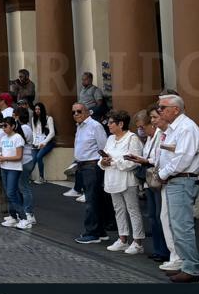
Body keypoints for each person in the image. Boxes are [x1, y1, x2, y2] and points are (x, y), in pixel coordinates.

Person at [154, 93, 199, 282]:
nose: (160, 111)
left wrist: (162, 174)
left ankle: (192, 267)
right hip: (177, 180)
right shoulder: (176, 128)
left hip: (182, 180)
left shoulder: (186, 128)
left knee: (182, 226)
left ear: (175, 109)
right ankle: (186, 264)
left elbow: (183, 159)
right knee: (176, 225)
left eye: (162, 108)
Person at [98, 110, 145, 254]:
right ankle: (123, 238)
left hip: (128, 180)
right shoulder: (111, 139)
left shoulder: (132, 138)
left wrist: (113, 162)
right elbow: (102, 158)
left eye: (111, 122)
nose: (109, 125)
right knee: (118, 210)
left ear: (121, 124)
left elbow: (134, 161)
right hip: (112, 179)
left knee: (133, 210)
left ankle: (137, 242)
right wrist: (104, 162)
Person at [71, 102, 111, 245]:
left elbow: (103, 146)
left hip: (92, 166)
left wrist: (102, 164)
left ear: (87, 112)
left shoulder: (94, 126)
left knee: (91, 201)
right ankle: (99, 231)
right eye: (74, 112)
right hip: (83, 166)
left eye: (79, 111)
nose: (76, 114)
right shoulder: (80, 127)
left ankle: (92, 232)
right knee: (94, 200)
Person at [135, 105, 169, 262]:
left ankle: (164, 250)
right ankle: (158, 249)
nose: (141, 130)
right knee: (152, 216)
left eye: (142, 127)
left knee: (159, 216)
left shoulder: (160, 136)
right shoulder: (148, 139)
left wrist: (145, 160)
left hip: (157, 179)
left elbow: (158, 158)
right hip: (150, 180)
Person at [0, 115, 30, 229]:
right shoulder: (3, 138)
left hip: (14, 169)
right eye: (2, 126)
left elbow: (19, 156)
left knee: (11, 193)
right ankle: (13, 216)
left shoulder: (18, 138)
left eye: (5, 126)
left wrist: (4, 158)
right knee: (9, 193)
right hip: (4, 167)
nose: (3, 128)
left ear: (13, 126)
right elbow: (3, 153)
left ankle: (24, 218)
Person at [29, 101, 55, 184]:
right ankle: (26, 177)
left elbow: (52, 133)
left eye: (39, 109)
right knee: (33, 158)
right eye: (35, 109)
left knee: (39, 156)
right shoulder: (33, 119)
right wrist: (34, 142)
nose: (37, 111)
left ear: (42, 110)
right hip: (36, 143)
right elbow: (34, 132)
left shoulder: (48, 118)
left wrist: (44, 142)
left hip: (47, 143)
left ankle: (41, 177)